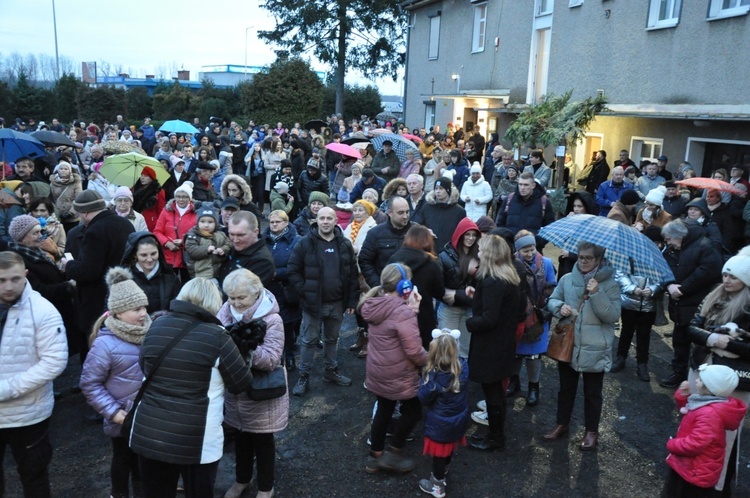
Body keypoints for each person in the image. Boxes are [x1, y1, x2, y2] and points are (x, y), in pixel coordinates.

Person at [129, 278, 252, 498]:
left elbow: (144, 365)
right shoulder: (217, 336)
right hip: (197, 439)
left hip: (151, 431)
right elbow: (240, 383)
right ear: (214, 303)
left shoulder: (156, 325)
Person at [0, 251, 68, 498]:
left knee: (34, 477)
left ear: (26, 275)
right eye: (1, 280)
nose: (8, 286)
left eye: (14, 279)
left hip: (29, 415)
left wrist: (7, 389)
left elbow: (54, 361)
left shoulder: (43, 311)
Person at [544, 241, 621, 451]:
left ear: (598, 260)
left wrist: (597, 293)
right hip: (569, 343)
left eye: (589, 258)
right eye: (580, 257)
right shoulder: (568, 279)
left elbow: (612, 316)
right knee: (565, 389)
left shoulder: (611, 284)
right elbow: (552, 300)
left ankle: (591, 431)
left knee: (592, 393)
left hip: (595, 347)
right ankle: (562, 424)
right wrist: (560, 308)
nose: (584, 261)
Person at [685, 247, 750, 495]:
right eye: (725, 275)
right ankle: (691, 474)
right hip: (702, 368)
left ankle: (717, 484)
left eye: (733, 276)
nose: (727, 280)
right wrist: (713, 339)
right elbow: (691, 328)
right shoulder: (713, 296)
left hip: (733, 380)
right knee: (696, 424)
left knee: (724, 434)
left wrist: (730, 344)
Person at [218, 269, 288, 498]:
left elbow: (271, 359)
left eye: (241, 298)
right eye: (231, 297)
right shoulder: (226, 311)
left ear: (256, 294)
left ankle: (266, 487)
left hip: (262, 392)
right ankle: (242, 480)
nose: (235, 303)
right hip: (235, 390)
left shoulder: (272, 319)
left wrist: (245, 347)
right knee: (240, 438)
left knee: (263, 440)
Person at [80, 268, 149, 498]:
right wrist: (115, 413)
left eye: (144, 307)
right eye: (137, 309)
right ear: (118, 313)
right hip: (123, 419)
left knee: (144, 461)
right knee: (122, 459)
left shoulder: (150, 332)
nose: (143, 314)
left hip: (147, 416)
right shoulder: (105, 345)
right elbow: (90, 384)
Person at [360, 263, 427, 474]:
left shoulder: (375, 304)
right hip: (398, 372)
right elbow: (414, 350)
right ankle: (394, 452)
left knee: (384, 408)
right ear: (404, 286)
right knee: (414, 410)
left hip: (378, 369)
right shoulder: (401, 312)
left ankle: (375, 456)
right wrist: (430, 362)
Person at [287, 206, 359, 396]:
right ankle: (304, 376)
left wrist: (352, 301)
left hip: (337, 303)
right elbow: (292, 270)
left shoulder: (344, 244)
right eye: (322, 218)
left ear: (336, 221)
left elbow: (352, 274)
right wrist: (305, 291)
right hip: (312, 304)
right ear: (316, 220)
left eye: (329, 218)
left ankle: (330, 371)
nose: (325, 221)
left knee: (332, 339)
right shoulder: (304, 243)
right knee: (309, 341)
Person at [63, 191, 135, 362]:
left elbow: (88, 271)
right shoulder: (125, 224)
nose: (80, 218)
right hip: (125, 294)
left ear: (86, 212)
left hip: (97, 300)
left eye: (80, 213)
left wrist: (68, 265)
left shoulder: (94, 231)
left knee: (96, 348)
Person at [465, 235, 521, 451]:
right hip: (502, 344)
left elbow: (489, 319)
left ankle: (495, 437)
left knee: (493, 393)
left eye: (480, 250)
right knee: (496, 391)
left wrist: (469, 322)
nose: (477, 252)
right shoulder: (507, 277)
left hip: (491, 347)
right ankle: (495, 435)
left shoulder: (493, 282)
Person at [659, 219, 723, 389]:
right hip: (680, 304)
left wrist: (683, 289)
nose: (668, 243)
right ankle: (679, 374)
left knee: (701, 345)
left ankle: (702, 380)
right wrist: (669, 285)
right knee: (680, 341)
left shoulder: (705, 246)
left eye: (670, 239)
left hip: (699, 305)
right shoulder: (673, 249)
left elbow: (709, 271)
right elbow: (664, 269)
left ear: (679, 236)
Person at [664, 365, 745, 497]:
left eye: (700, 380)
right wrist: (683, 397)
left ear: (709, 387)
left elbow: (695, 444)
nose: (696, 381)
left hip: (695, 471)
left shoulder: (709, 414)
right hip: (695, 467)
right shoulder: (709, 403)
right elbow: (691, 416)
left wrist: (672, 444)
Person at [506, 231, 557, 406]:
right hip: (518, 315)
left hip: (538, 316)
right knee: (515, 352)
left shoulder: (547, 263)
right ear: (518, 250)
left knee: (534, 356)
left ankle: (534, 387)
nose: (530, 253)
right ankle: (514, 382)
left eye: (532, 249)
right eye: (525, 250)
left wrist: (546, 294)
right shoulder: (511, 264)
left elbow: (552, 285)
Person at [417, 331, 469, 498]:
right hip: (458, 419)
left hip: (439, 424)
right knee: (448, 448)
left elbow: (423, 398)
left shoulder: (433, 376)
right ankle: (445, 467)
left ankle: (437, 486)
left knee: (438, 454)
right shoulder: (463, 367)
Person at [389, 224, 446, 349]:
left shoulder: (394, 259)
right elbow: (440, 293)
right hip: (423, 317)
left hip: (396, 313)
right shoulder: (431, 263)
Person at [263, 210, 302, 370]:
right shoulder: (263, 240)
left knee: (287, 325)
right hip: (267, 289)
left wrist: (276, 273)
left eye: (278, 222)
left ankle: (290, 355)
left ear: (286, 223)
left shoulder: (296, 240)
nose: (274, 225)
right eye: (272, 222)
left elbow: (297, 265)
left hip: (287, 289)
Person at [437, 218, 480, 359]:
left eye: (474, 235)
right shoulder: (444, 257)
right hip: (450, 309)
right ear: (460, 234)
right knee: (446, 349)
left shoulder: (480, 257)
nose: (471, 238)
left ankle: (461, 379)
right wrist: (455, 294)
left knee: (464, 351)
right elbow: (437, 285)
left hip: (469, 309)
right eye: (467, 234)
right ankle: (445, 379)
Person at [121, 232, 181, 315]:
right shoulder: (124, 280)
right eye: (144, 255)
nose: (149, 259)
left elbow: (178, 310)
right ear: (135, 255)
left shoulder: (171, 277)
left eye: (153, 254)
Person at [495, 172, 554, 248]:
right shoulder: (509, 200)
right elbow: (500, 224)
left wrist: (537, 242)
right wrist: (507, 241)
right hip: (511, 248)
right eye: (520, 184)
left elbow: (549, 228)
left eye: (526, 185)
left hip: (533, 249)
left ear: (533, 185)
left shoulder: (543, 202)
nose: (522, 188)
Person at [153, 182, 197, 282]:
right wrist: (167, 243)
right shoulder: (167, 210)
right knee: (169, 286)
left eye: (184, 197)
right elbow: (157, 231)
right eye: (178, 196)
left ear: (189, 198)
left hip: (188, 257)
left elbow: (198, 233)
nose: (181, 199)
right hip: (169, 256)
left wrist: (184, 241)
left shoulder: (196, 212)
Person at [218, 211, 275, 288]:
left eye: (240, 235)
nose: (235, 240)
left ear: (255, 232)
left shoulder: (263, 262)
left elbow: (242, 294)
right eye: (231, 234)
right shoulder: (234, 248)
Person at [413, 176, 467, 251]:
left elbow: (462, 233)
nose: (438, 191)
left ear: (448, 190)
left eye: (441, 188)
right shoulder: (427, 208)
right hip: (428, 250)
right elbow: (417, 225)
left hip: (449, 252)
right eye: (436, 188)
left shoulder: (459, 211)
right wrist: (426, 231)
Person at [184, 207, 230, 280]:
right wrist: (206, 249)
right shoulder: (193, 235)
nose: (206, 225)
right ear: (197, 222)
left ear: (216, 223)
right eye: (202, 221)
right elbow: (191, 249)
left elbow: (228, 244)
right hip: (201, 274)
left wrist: (223, 249)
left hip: (218, 272)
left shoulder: (221, 234)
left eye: (210, 222)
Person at [49, 161, 83, 232]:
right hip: (58, 215)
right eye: (61, 169)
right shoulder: (53, 183)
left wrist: (71, 213)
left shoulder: (76, 182)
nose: (63, 170)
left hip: (73, 216)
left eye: (66, 169)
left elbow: (79, 198)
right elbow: (51, 199)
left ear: (70, 171)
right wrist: (56, 212)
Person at [132, 166, 166, 233]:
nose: (142, 178)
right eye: (141, 175)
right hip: (136, 220)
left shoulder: (158, 191)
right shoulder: (135, 188)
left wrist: (159, 226)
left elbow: (161, 211)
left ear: (151, 178)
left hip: (151, 223)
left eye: (146, 176)